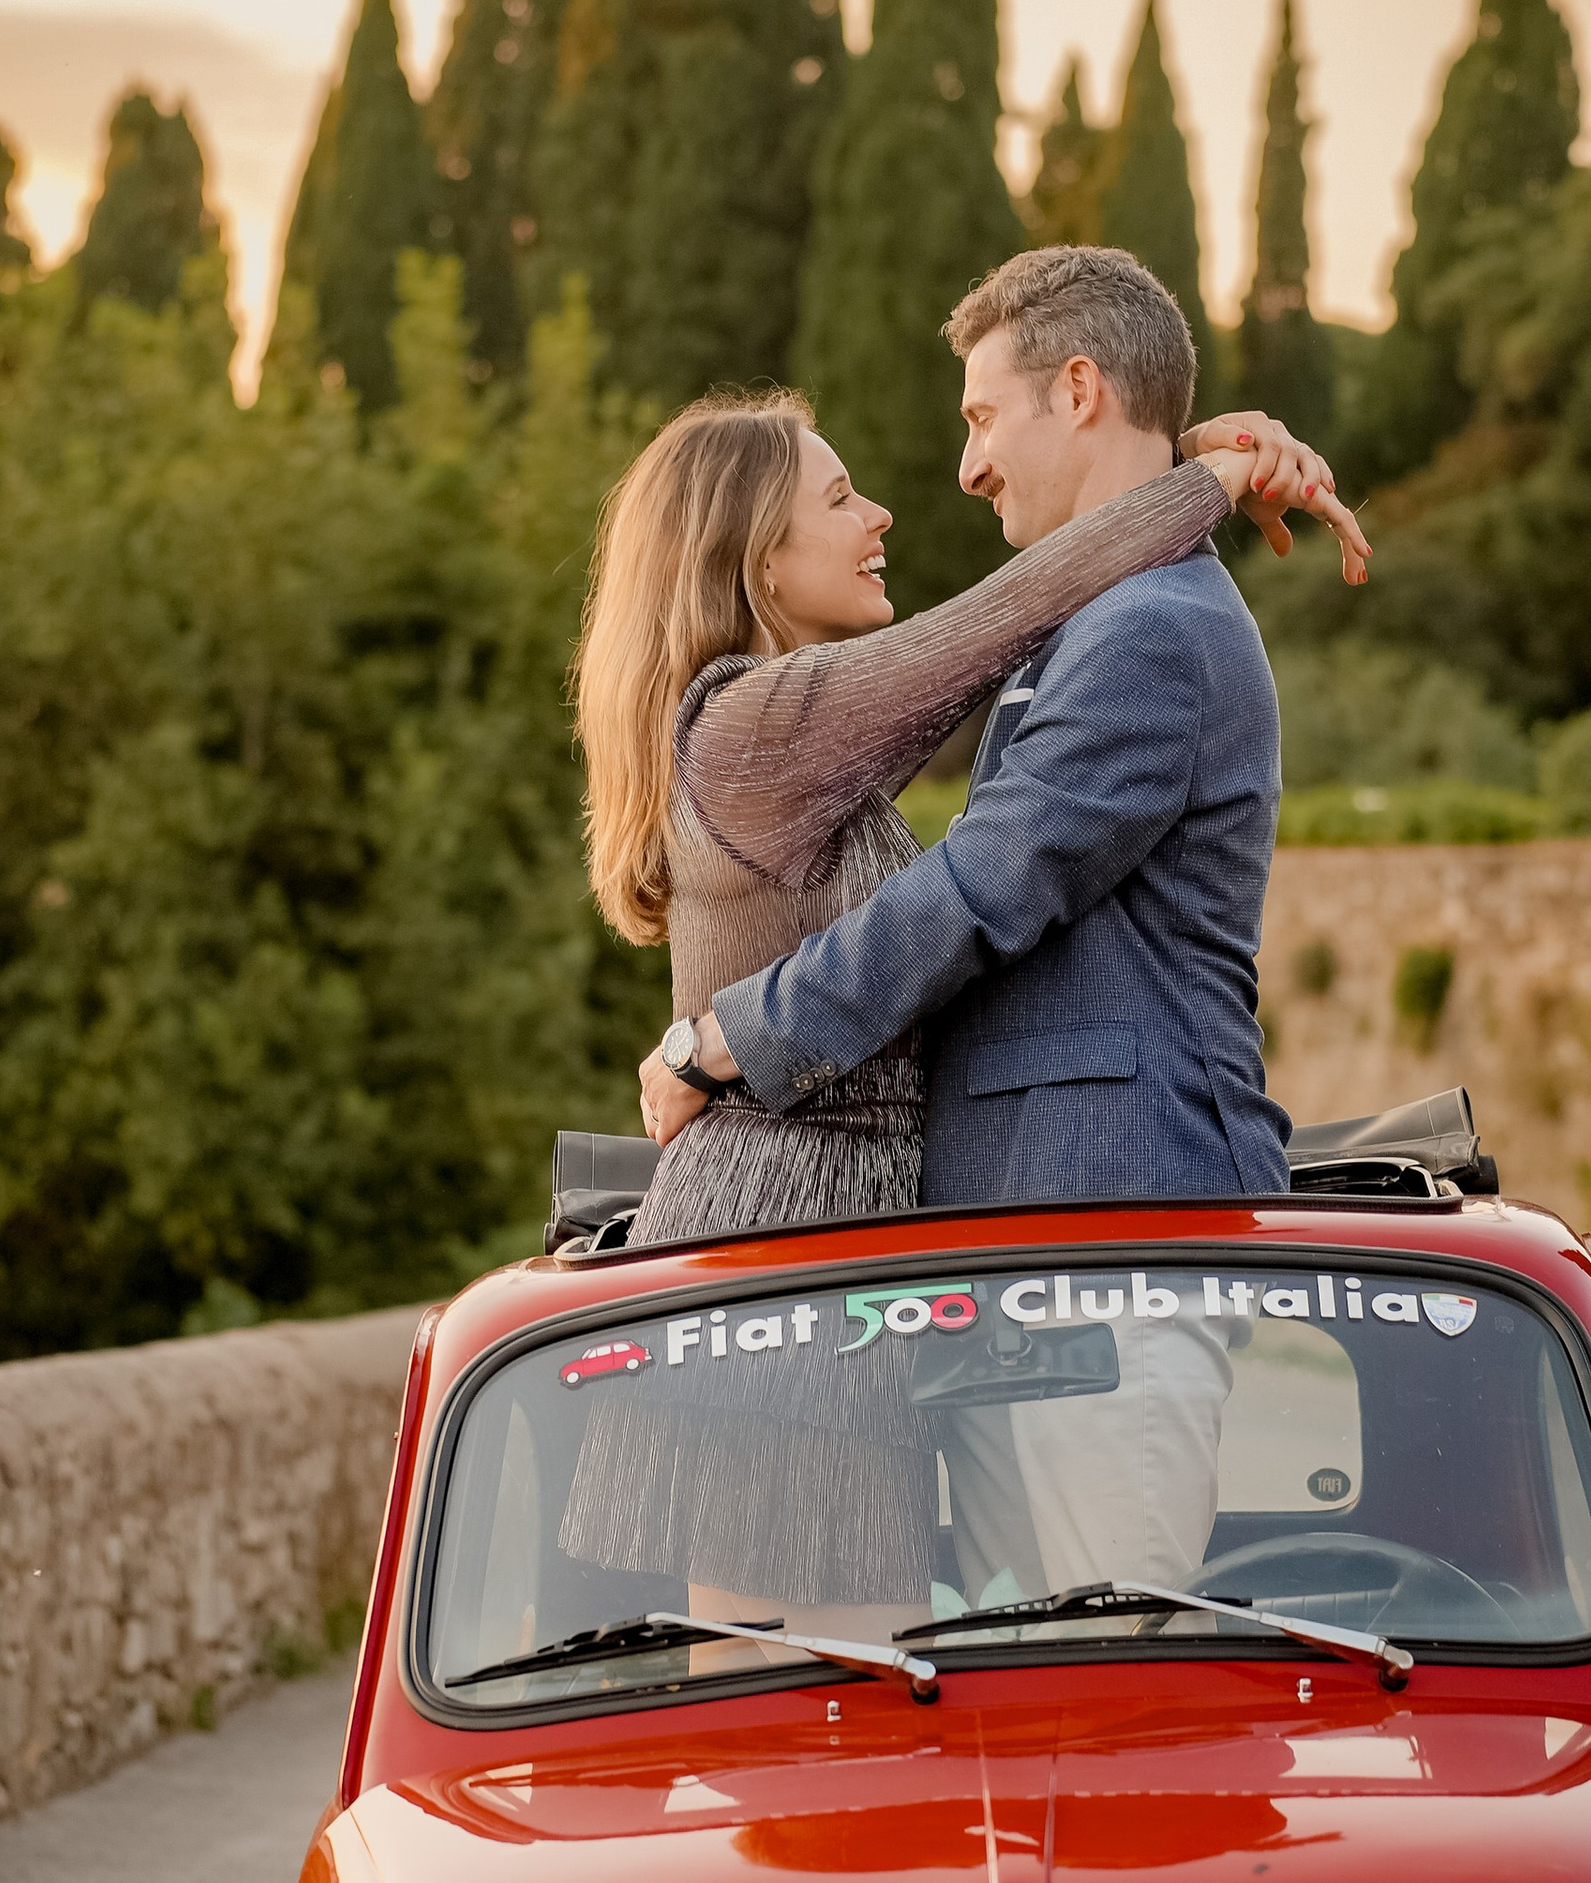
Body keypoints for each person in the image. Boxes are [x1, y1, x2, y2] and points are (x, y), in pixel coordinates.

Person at [559, 310, 1365, 1620]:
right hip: (794, 1232)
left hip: (951, 1241)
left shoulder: (1112, 636)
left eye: (981, 419)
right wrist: (1197, 476)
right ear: (758, 555)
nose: (931, 487)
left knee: (934, 1687)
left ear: (1082, 388)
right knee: (786, 1690)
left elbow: (987, 868)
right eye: (843, 493)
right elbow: (996, 633)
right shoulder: (764, 722)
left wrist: (1174, 470)